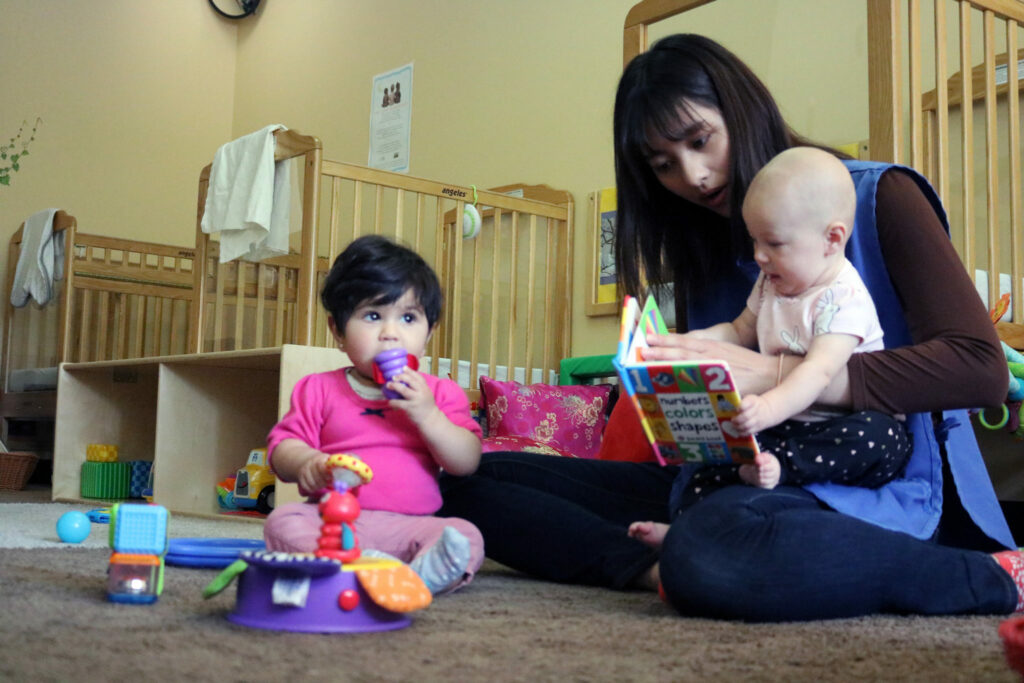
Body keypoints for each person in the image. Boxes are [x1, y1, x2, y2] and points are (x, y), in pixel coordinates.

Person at [438, 33, 1023, 621]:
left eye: (700, 141)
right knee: (459, 478)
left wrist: (775, 373)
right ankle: (659, 567)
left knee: (719, 535)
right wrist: (667, 387)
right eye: (664, 164)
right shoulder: (709, 248)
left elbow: (978, 369)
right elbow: (717, 409)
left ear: (740, 109)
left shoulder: (876, 197)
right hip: (746, 474)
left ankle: (979, 576)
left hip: (874, 480)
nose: (692, 175)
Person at [628, 146, 911, 547]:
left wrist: (769, 407)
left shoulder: (843, 297)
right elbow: (737, 330)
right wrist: (677, 343)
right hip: (782, 423)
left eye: (774, 244)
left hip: (838, 424)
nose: (759, 257)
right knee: (702, 464)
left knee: (883, 438)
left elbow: (819, 371)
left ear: (832, 239)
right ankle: (687, 534)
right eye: (755, 242)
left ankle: (782, 469)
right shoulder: (771, 283)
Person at [264, 235, 484, 595]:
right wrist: (311, 462)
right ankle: (356, 564)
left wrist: (428, 416)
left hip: (412, 526)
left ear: (428, 333)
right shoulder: (317, 388)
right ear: (337, 330)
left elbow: (466, 462)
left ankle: (415, 577)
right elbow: (282, 447)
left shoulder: (440, 393)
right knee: (282, 522)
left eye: (409, 318)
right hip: (334, 523)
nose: (390, 334)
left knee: (465, 535)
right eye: (372, 316)